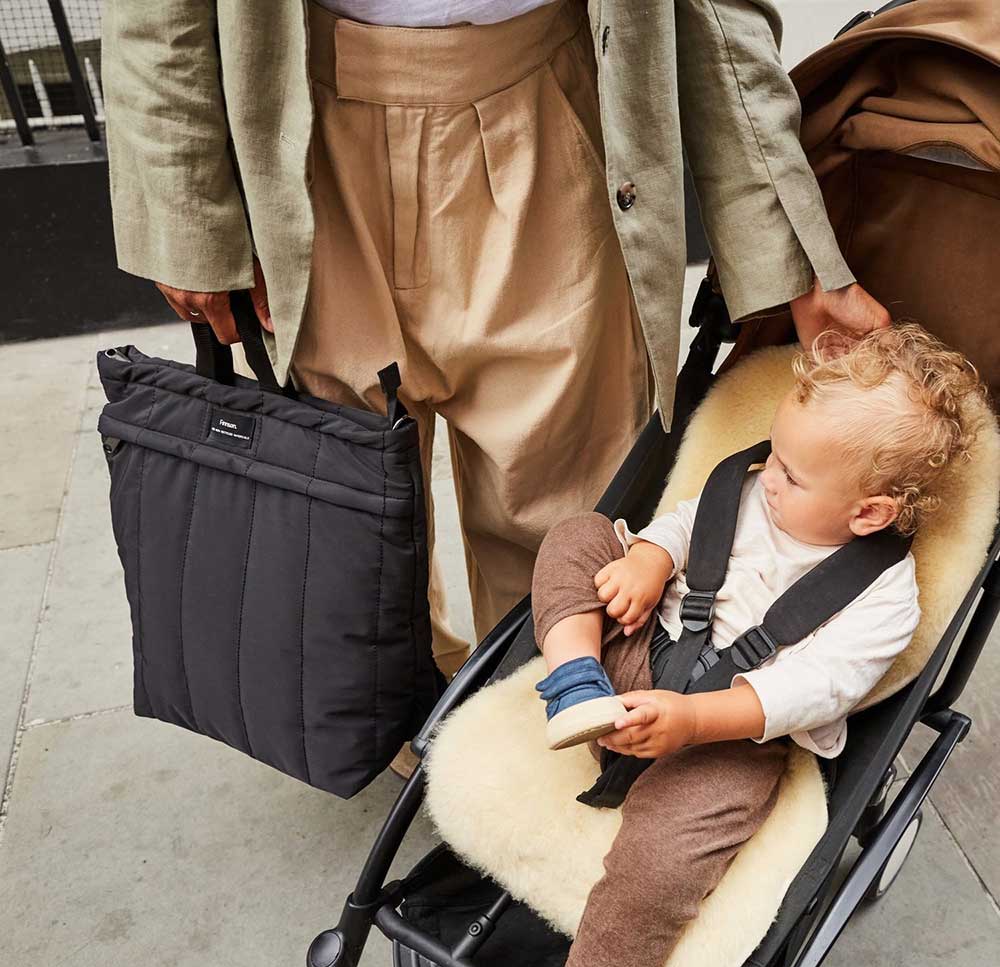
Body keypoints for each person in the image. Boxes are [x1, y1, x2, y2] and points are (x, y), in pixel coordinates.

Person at [101, 0, 890, 777]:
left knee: (565, 513)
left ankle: (539, 743)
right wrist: (185, 210)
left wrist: (789, 249)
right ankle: (406, 719)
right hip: (304, 135)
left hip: (547, 111)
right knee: (340, 514)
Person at [529, 323, 986, 967]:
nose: (767, 475)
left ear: (868, 513)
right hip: (638, 656)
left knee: (665, 862)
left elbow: (813, 689)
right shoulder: (752, 490)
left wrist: (691, 722)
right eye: (773, 455)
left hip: (728, 734)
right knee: (579, 537)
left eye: (791, 474)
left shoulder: (885, 602)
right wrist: (650, 562)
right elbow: (689, 524)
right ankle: (573, 681)